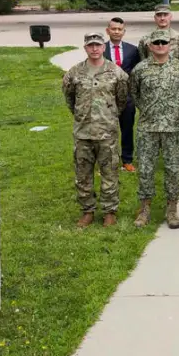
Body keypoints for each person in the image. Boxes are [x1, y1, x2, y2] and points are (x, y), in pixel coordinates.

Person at [61, 32, 130, 228]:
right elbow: (70, 99)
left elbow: (122, 99)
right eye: (90, 45)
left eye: (97, 45)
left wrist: (108, 115)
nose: (94, 49)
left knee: (110, 173)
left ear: (103, 47)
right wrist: (82, 115)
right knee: (83, 174)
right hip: (83, 132)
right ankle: (87, 211)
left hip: (106, 132)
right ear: (85, 48)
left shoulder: (116, 72)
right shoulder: (74, 73)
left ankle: (109, 211)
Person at [129, 28, 179, 229]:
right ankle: (145, 209)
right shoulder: (140, 69)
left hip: (173, 127)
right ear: (149, 46)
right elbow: (135, 94)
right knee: (146, 169)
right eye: (156, 43)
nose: (160, 46)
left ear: (169, 45)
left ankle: (172, 209)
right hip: (148, 127)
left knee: (173, 169)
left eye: (164, 43)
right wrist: (149, 110)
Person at [103, 16, 141, 173]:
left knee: (127, 129)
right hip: (106, 97)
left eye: (119, 29)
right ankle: (107, 162)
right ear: (108, 30)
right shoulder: (101, 49)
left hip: (127, 97)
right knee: (106, 131)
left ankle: (127, 160)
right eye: (113, 29)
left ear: (124, 32)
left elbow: (137, 72)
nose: (116, 32)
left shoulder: (133, 50)